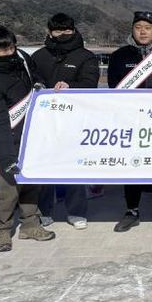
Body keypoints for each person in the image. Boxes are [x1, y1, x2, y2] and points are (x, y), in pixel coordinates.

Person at [0, 25, 55, 252]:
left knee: (31, 184)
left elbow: (34, 74)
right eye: (4, 50)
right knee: (8, 190)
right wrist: (6, 158)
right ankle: (1, 230)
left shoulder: (21, 57)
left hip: (31, 135)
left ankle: (30, 225)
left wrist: (38, 83)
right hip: (5, 140)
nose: (10, 52)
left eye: (12, 47)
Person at [108, 11, 152, 234]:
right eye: (138, 27)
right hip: (131, 122)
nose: (143, 31)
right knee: (132, 166)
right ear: (132, 29)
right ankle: (132, 211)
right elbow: (112, 89)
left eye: (147, 27)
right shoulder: (119, 56)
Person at [32, 13, 100, 230]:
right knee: (44, 166)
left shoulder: (85, 56)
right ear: (49, 32)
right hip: (45, 121)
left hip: (75, 120)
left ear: (74, 30)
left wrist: (71, 87)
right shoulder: (38, 56)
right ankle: (44, 211)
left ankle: (76, 212)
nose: (63, 34)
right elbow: (31, 80)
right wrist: (38, 86)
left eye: (67, 30)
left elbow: (90, 84)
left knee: (74, 166)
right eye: (58, 30)